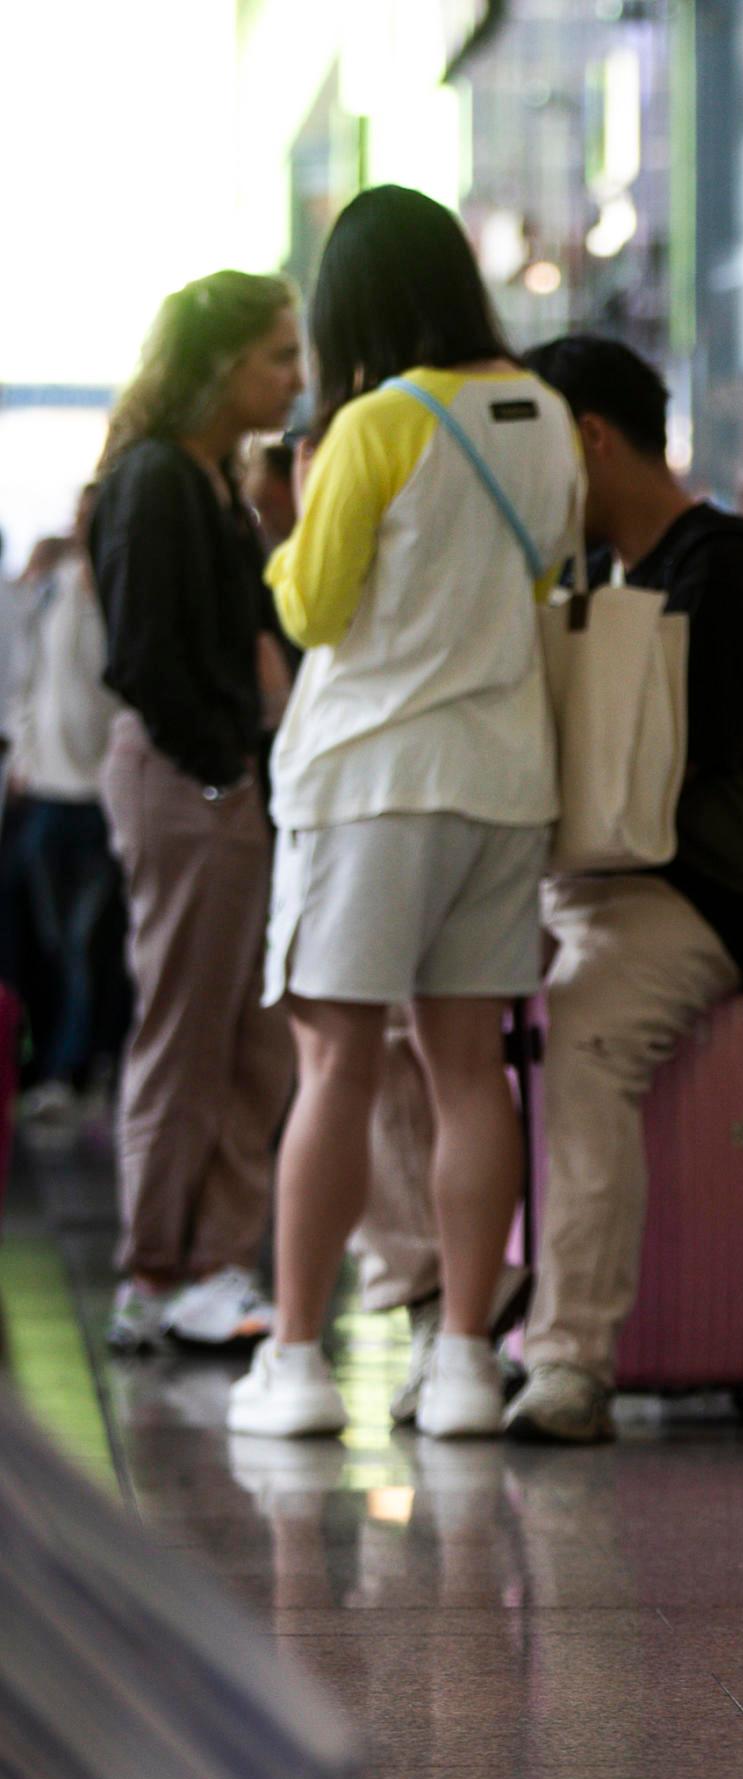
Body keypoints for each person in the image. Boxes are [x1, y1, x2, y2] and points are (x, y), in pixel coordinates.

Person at [378, 333, 743, 1445]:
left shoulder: (725, 568)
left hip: (707, 892)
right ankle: (445, 1297)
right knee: (385, 1021)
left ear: (590, 437)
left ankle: (571, 1359)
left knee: (589, 1037)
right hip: (591, 880)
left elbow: (677, 772)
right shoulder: (599, 573)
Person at [239, 186, 581, 1442]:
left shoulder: (377, 422)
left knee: (334, 1060)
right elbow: (541, 580)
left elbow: (313, 611)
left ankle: (292, 1363)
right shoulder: (545, 414)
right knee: (468, 1068)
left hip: (375, 782)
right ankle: (461, 1367)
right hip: (504, 782)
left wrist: (290, 515)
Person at [86, 271, 306, 1356]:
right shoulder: (157, 480)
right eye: (277, 354)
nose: (295, 375)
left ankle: (207, 1258)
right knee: (188, 1026)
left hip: (218, 776)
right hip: (189, 779)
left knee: (253, 1036)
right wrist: (220, 761)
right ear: (219, 365)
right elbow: (143, 655)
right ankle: (154, 1265)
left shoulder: (211, 478)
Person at [3, 487, 128, 1125]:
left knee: (87, 945)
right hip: (48, 792)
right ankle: (55, 1064)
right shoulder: (53, 590)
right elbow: (28, 680)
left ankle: (70, 1069)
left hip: (101, 795)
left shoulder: (121, 590)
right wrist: (24, 755)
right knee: (50, 944)